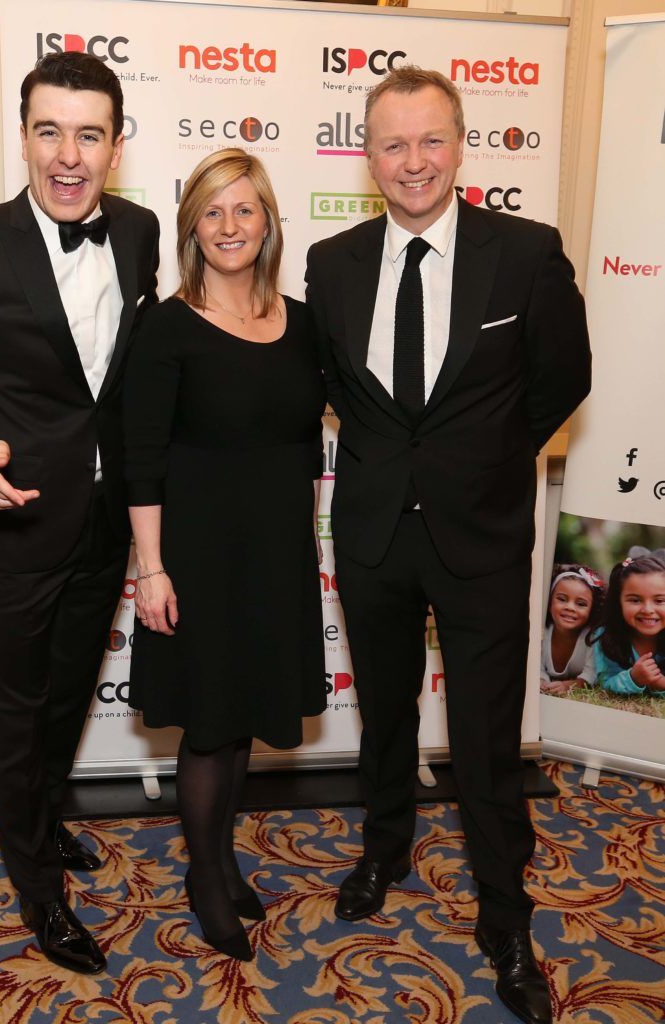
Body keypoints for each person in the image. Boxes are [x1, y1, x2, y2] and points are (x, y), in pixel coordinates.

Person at [305, 66, 591, 1024]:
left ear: (461, 143)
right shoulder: (330, 261)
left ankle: (503, 913)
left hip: (481, 532)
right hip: (376, 530)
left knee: (482, 733)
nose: (412, 161)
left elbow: (563, 375)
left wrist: (485, 459)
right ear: (367, 156)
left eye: (430, 140)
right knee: (383, 709)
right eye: (392, 144)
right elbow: (334, 390)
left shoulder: (525, 252)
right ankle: (383, 845)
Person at [0, 51, 160, 974]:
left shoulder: (137, 235)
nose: (67, 155)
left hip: (100, 525)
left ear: (115, 144)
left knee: (63, 696)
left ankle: (44, 821)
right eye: (48, 131)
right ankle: (36, 889)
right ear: (23, 136)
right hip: (13, 524)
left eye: (88, 134)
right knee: (17, 708)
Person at [124, 148, 326, 962]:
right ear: (191, 227)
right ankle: (205, 879)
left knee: (242, 714)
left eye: (244, 209)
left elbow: (306, 443)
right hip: (197, 555)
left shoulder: (302, 321)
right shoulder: (166, 326)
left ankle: (222, 857)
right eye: (212, 211)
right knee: (209, 724)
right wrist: (151, 567)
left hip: (275, 552)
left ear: (268, 219)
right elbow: (141, 456)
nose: (229, 226)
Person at [592, 555, 665, 696]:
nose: (648, 610)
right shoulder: (606, 637)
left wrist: (661, 685)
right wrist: (633, 678)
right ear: (618, 602)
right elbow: (605, 683)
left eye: (659, 600)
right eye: (635, 600)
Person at [540, 564, 604, 696]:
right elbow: (536, 666)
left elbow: (591, 674)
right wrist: (542, 681)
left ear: (592, 610)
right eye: (562, 599)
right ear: (549, 602)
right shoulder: (541, 632)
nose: (570, 607)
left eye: (581, 604)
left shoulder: (593, 638)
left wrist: (567, 685)